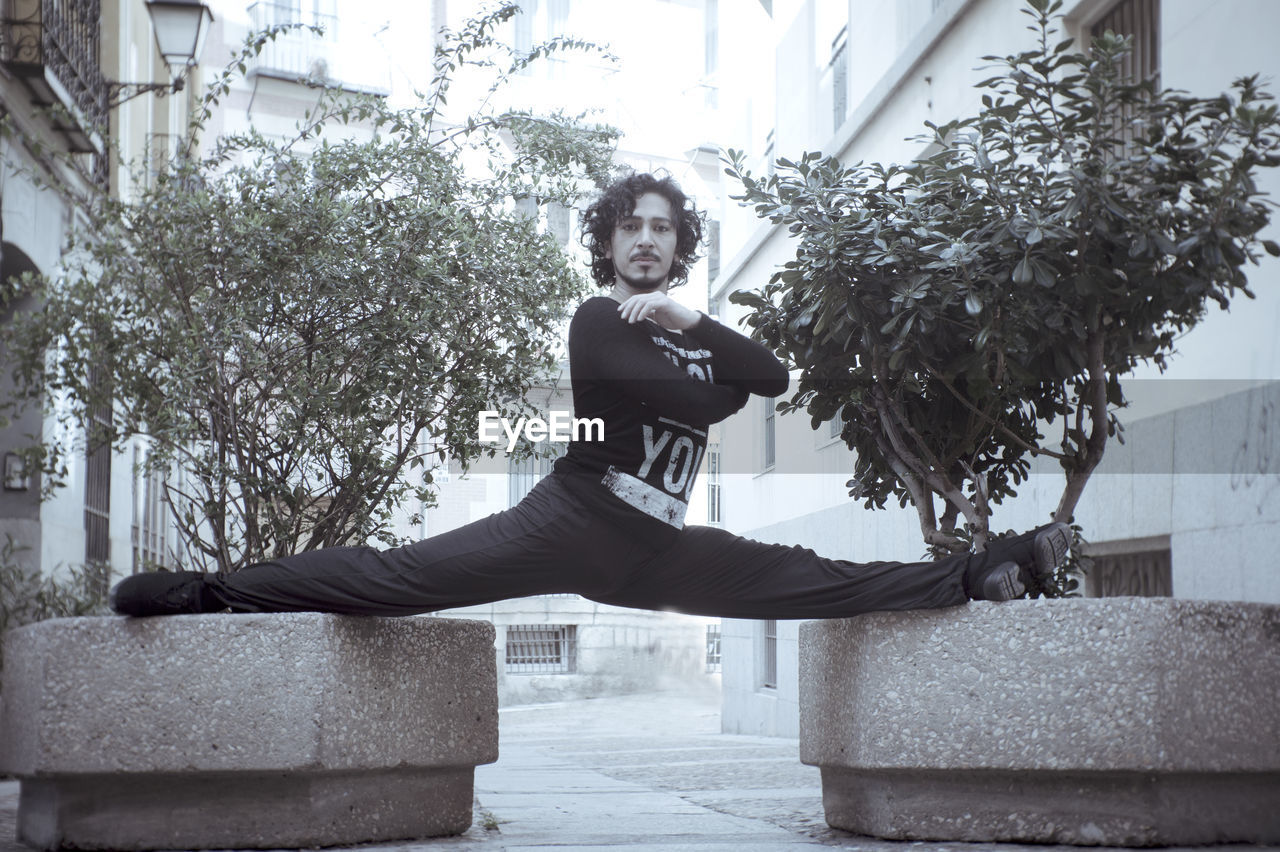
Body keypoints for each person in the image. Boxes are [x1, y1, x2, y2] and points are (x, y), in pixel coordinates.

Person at [110, 172, 1069, 619]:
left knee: (809, 578)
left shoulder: (678, 337)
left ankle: (986, 569)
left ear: (677, 247)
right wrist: (699, 370)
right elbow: (709, 404)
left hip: (650, 547)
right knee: (396, 583)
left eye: (661, 229)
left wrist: (693, 326)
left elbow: (769, 378)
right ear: (607, 246)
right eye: (628, 229)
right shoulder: (594, 322)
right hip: (571, 521)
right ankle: (210, 592)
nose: (644, 240)